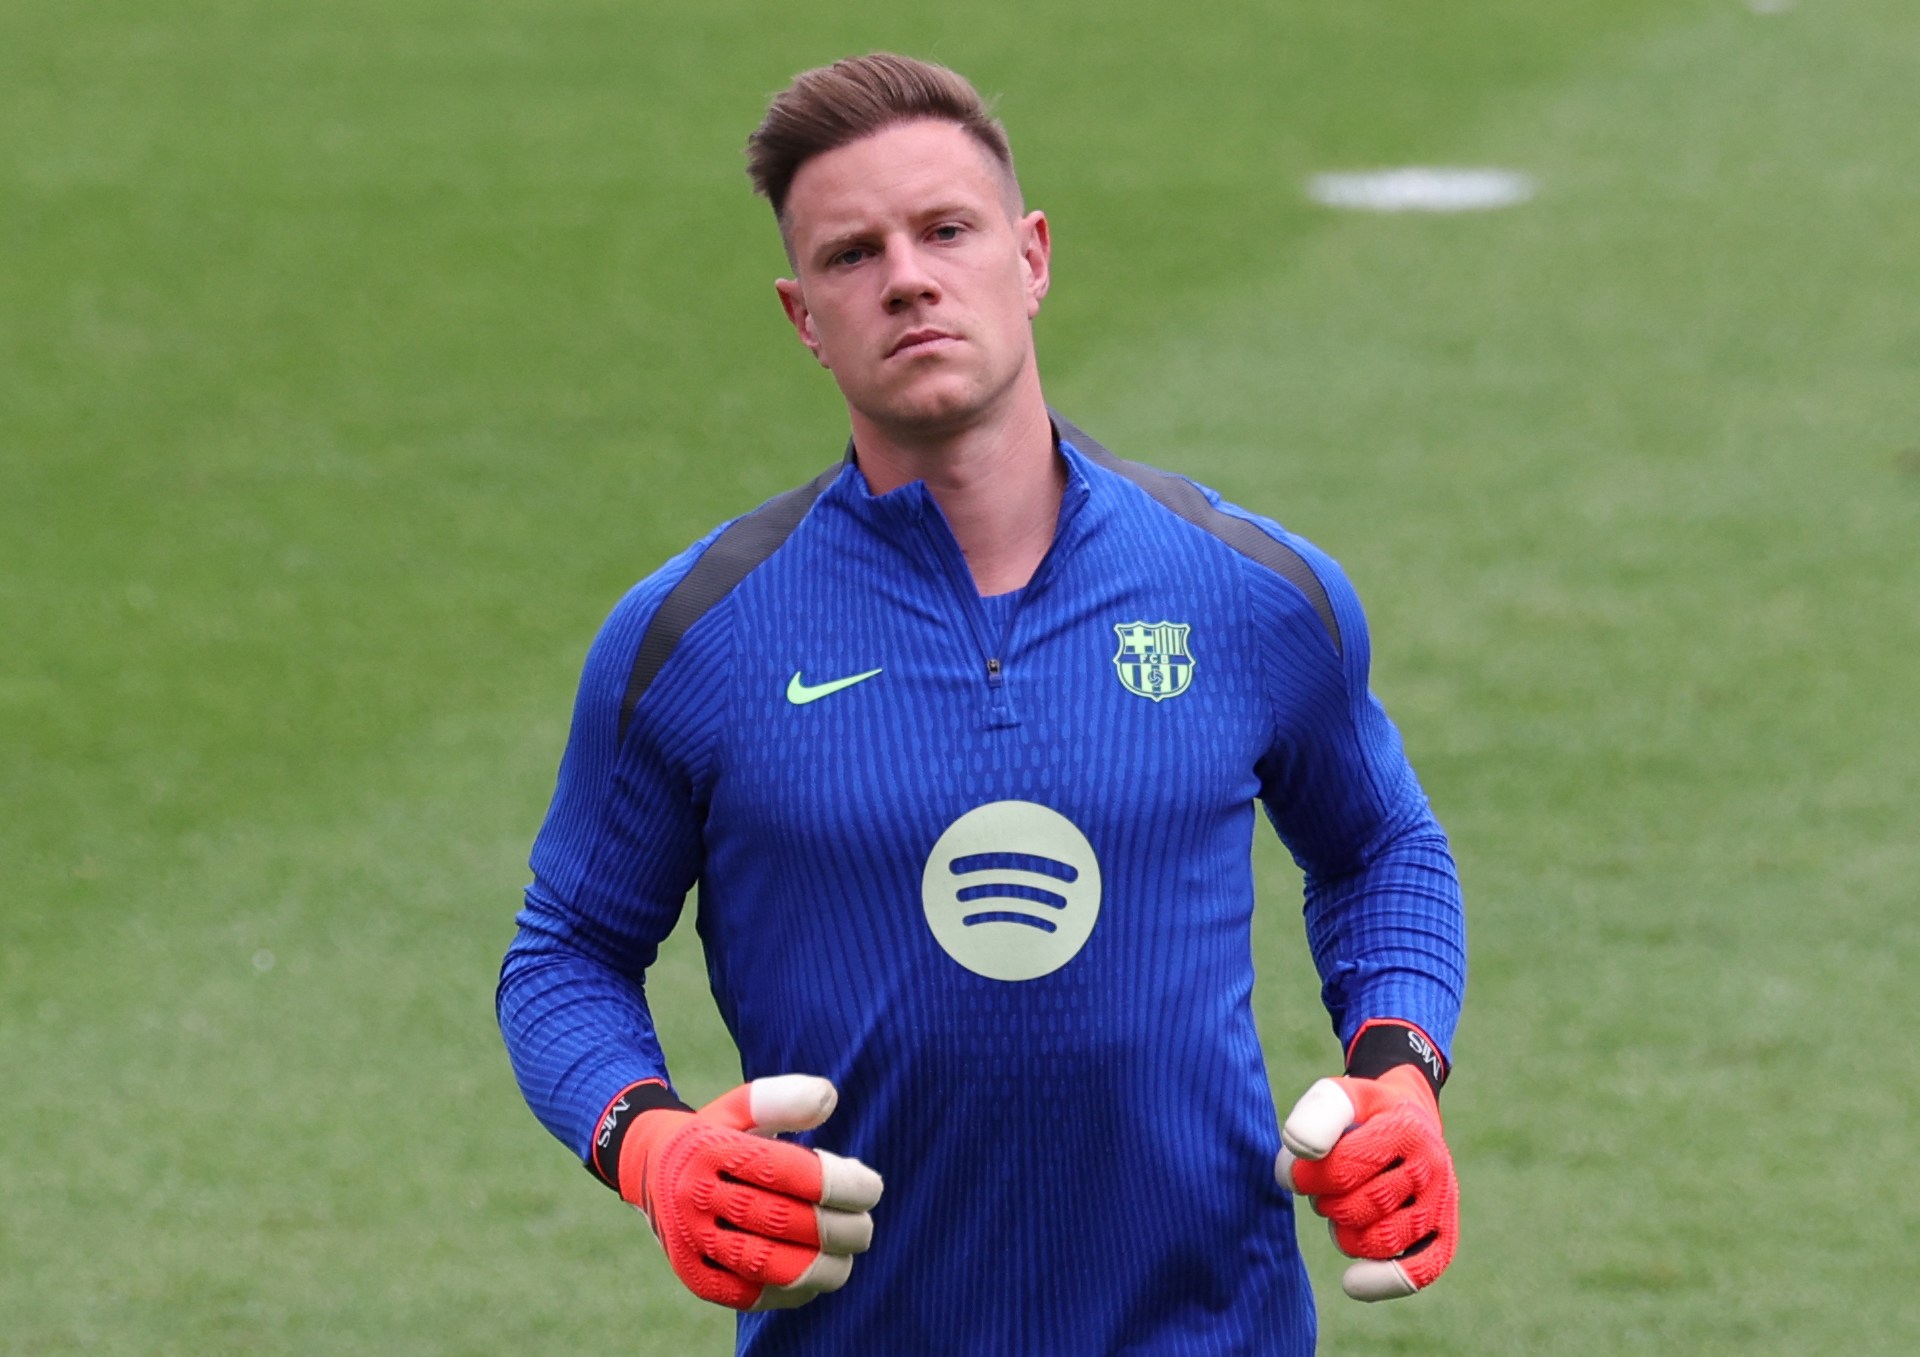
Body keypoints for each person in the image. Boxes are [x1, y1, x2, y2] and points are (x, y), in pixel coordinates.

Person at [498, 53, 1467, 1357]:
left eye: (947, 230)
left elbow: (1380, 847)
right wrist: (652, 1143)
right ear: (802, 315)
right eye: (852, 255)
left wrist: (1399, 1069)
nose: (907, 277)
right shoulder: (695, 638)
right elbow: (566, 949)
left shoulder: (1248, 594)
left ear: (1032, 256)